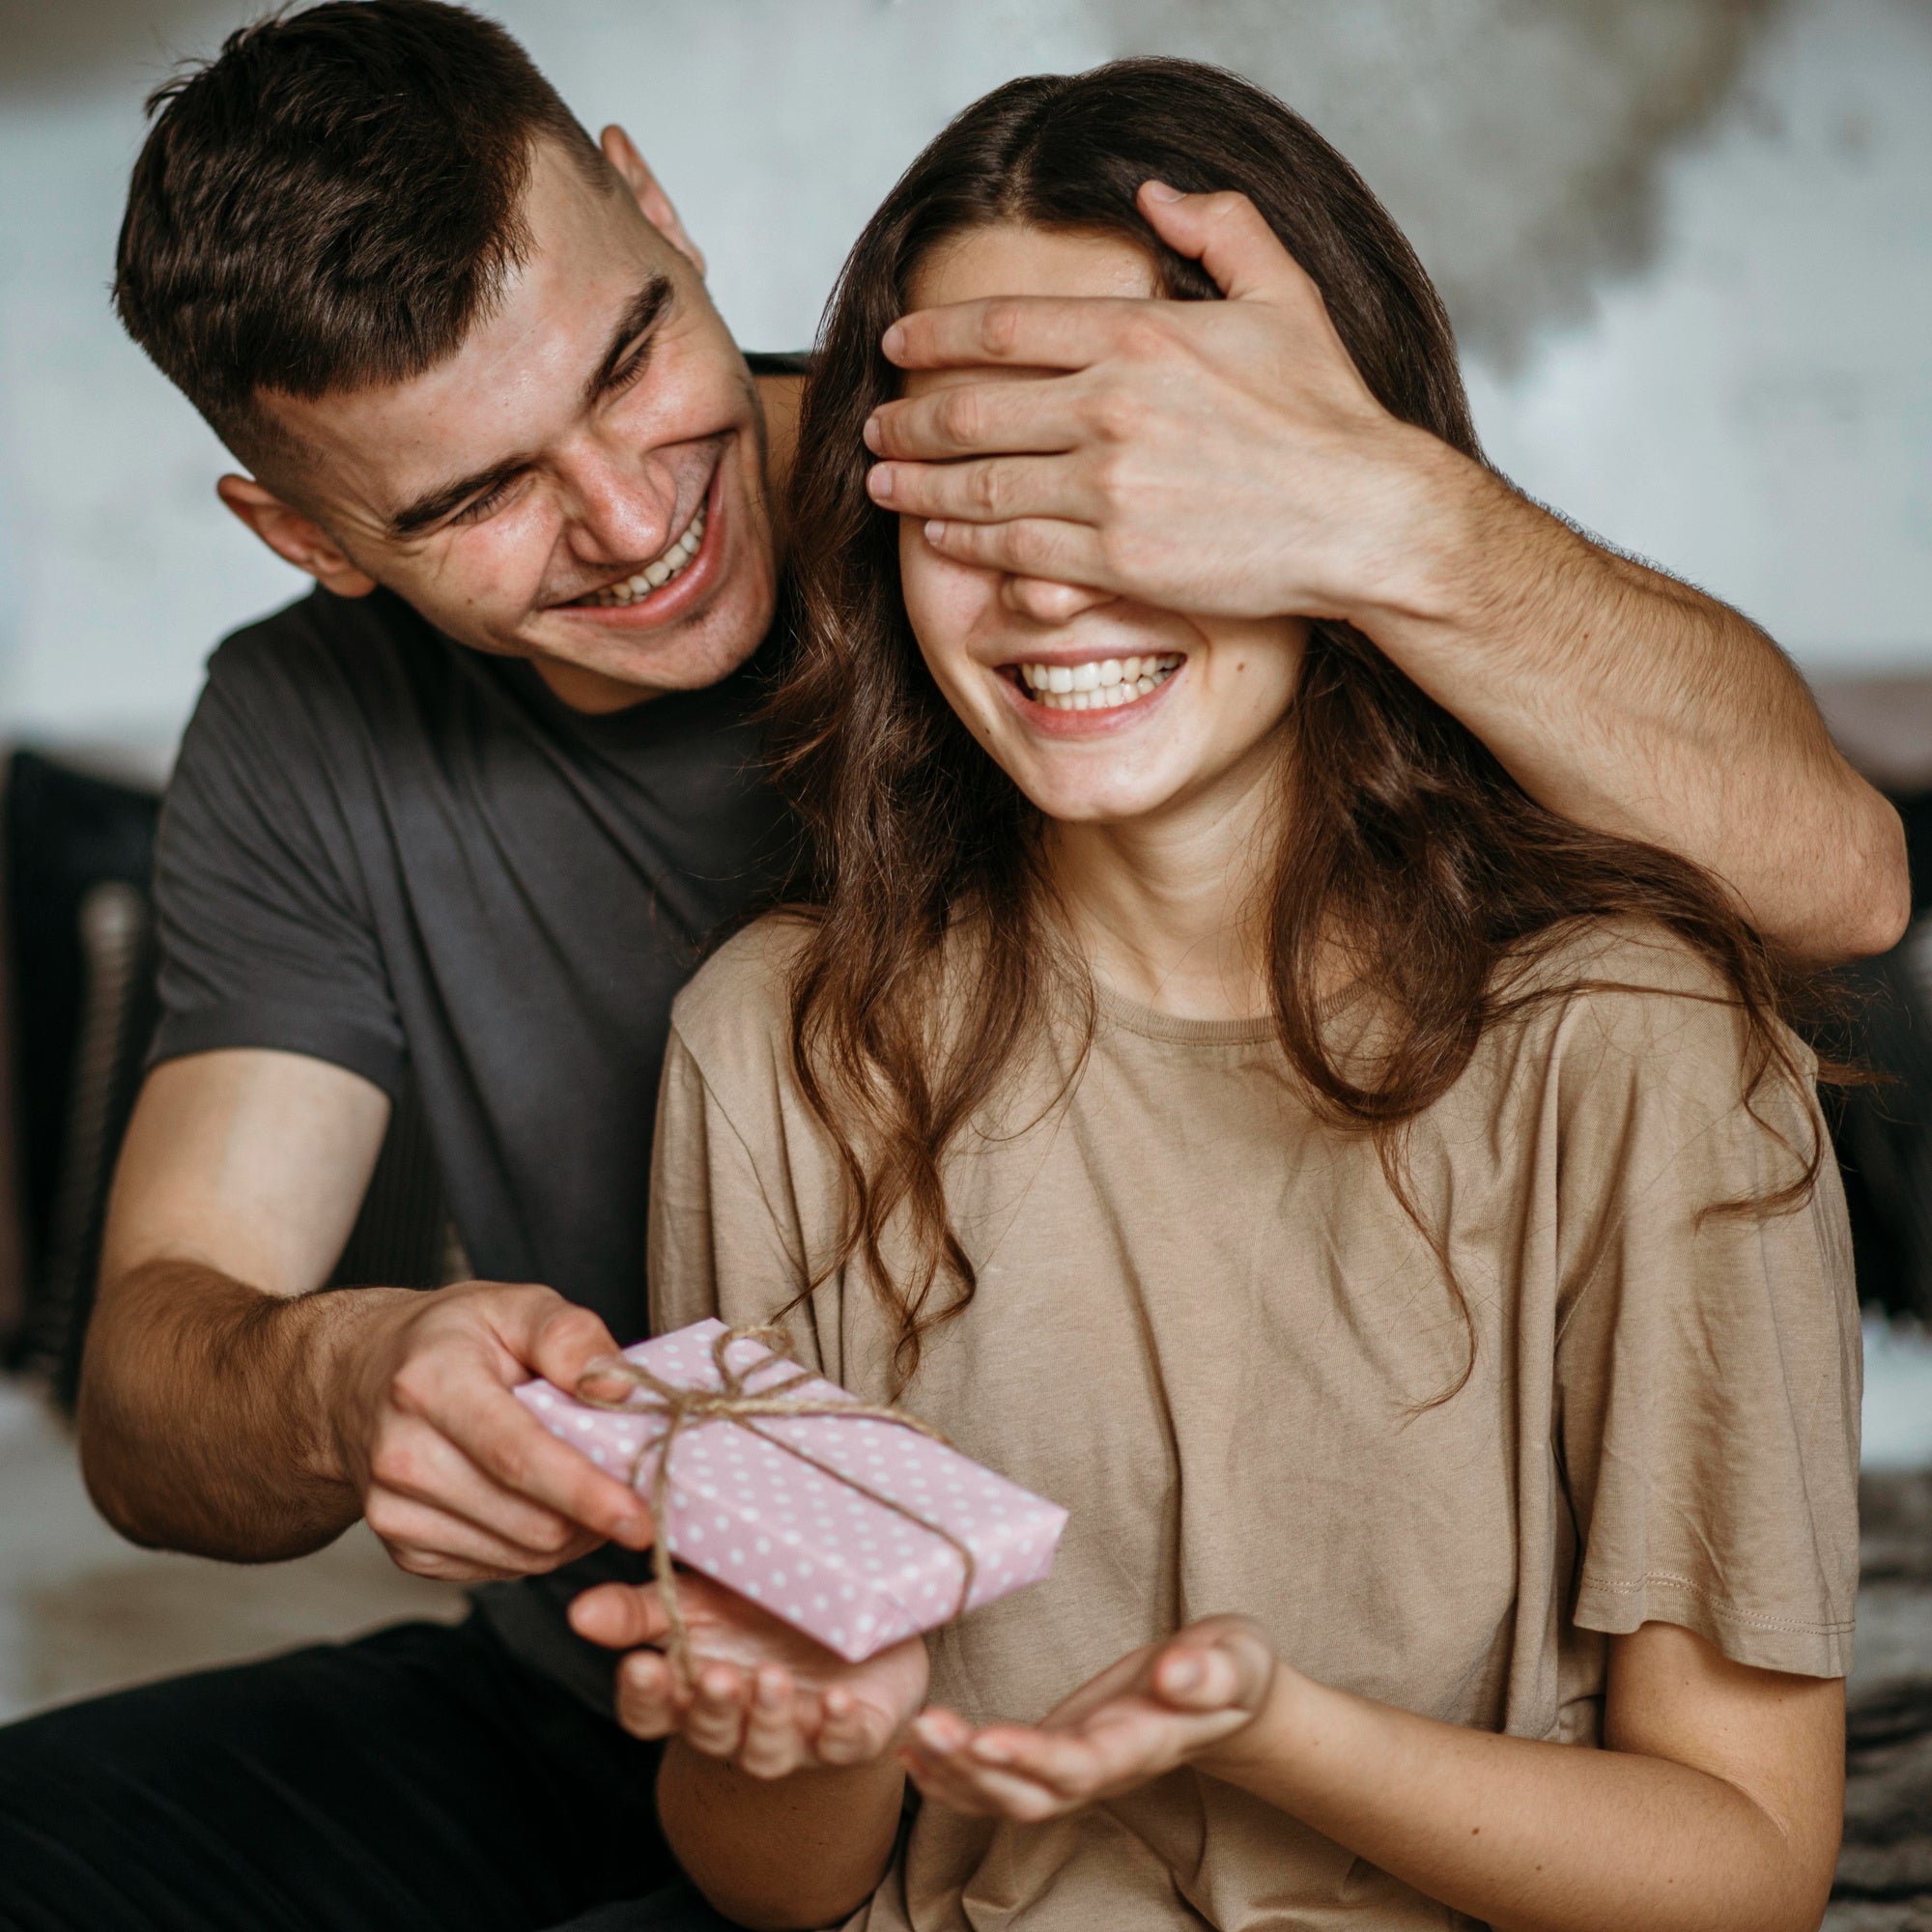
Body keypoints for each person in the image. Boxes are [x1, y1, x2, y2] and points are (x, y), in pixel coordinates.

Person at [0, 4, 1894, 1929]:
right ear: (304, 534)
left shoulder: (1024, 473)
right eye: (473, 497)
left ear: (659, 211)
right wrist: (350, 1377)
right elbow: (163, 1360)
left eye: (633, 357)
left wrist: (1378, 498)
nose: (634, 517)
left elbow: (1833, 878)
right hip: (694, 1715)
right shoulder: (538, 878)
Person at [571, 60, 1862, 1932]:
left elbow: (1746, 1870)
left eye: (1126, 473)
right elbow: (776, 1884)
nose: (1042, 573)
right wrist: (814, 1733)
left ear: (1328, 488)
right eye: (967, 485)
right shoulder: (773, 1045)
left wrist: (1261, 1727)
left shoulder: (1637, 1049)